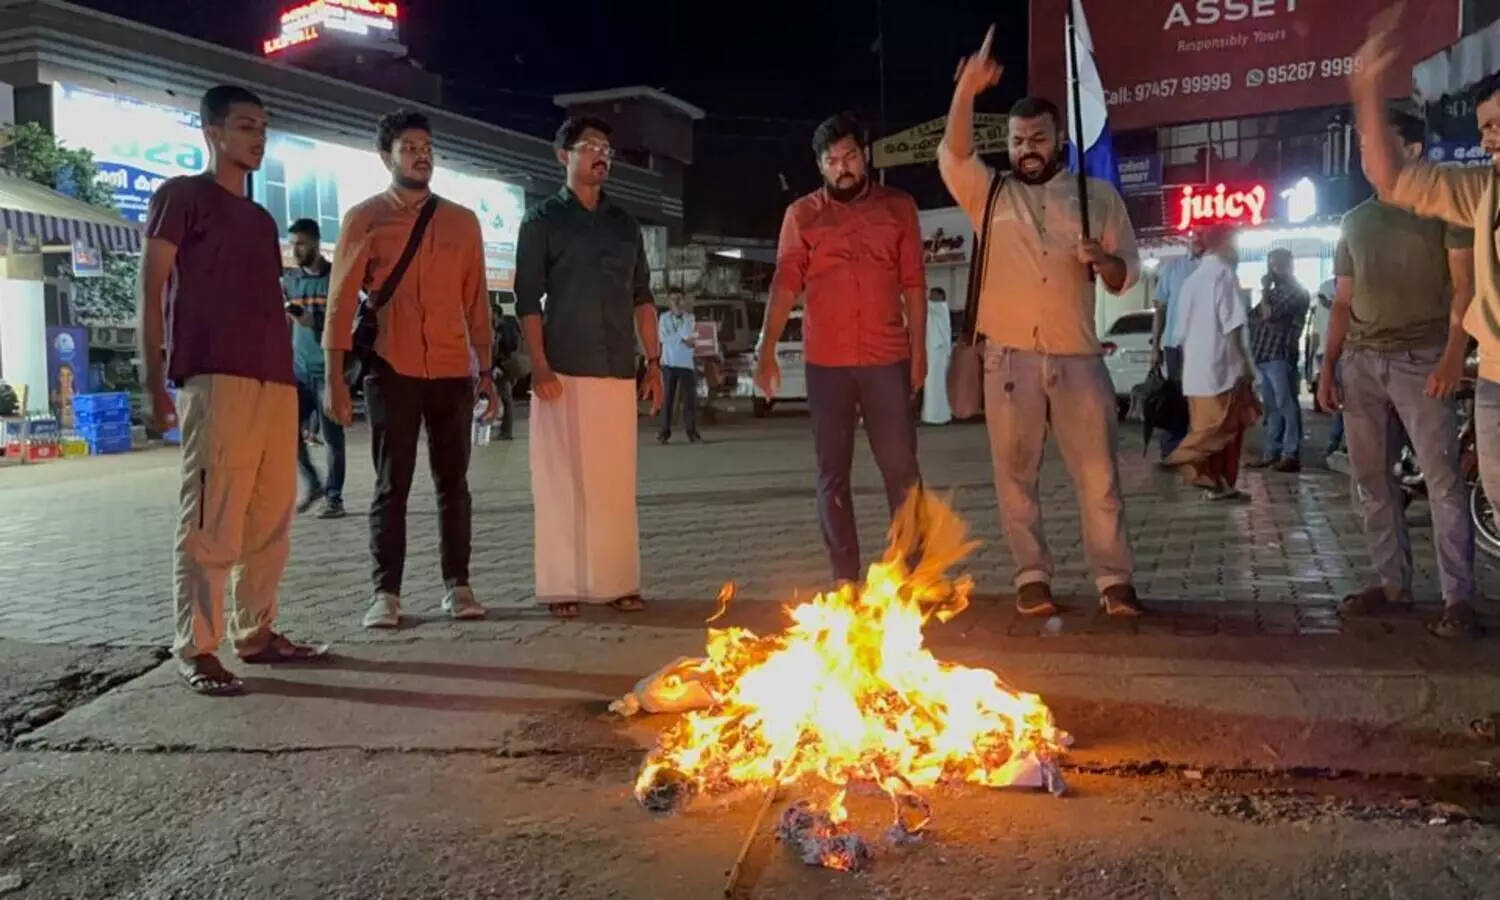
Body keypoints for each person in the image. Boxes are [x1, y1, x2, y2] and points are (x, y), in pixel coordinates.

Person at [939, 28, 1144, 618]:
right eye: (1017, 138)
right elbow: (953, 153)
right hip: (1008, 360)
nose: (1027, 147)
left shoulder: (1097, 196)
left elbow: (1126, 271)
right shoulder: (990, 194)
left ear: (1059, 140)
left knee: (1100, 477)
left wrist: (1103, 261)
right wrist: (966, 91)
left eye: (1039, 138)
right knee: (1015, 476)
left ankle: (1113, 579)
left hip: (1078, 357)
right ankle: (1032, 573)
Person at [138, 84, 325, 696]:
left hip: (275, 380)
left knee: (271, 514)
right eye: (246, 125)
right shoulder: (181, 198)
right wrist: (154, 376)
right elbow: (152, 287)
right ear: (213, 132)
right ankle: (197, 645)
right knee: (213, 513)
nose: (258, 137)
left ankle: (257, 632)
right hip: (215, 375)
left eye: (263, 127)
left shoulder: (260, 217)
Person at [323, 109, 499, 630]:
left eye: (427, 146)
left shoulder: (462, 221)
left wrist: (486, 372)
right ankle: (386, 594)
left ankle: (458, 585)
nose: (422, 154)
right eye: (409, 146)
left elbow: (476, 301)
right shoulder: (365, 217)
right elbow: (338, 301)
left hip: (451, 369)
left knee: (454, 484)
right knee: (390, 485)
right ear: (386, 156)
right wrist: (334, 378)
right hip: (392, 368)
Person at [1316, 103, 1479, 640]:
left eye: (1379, 147)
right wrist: (1329, 366)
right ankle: (1393, 586)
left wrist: (1454, 353)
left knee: (1442, 480)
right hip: (1362, 361)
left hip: (1423, 359)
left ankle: (1458, 598)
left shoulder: (1444, 209)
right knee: (1371, 480)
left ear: (1413, 151)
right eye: (1364, 149)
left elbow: (1465, 287)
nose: (1368, 159)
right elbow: (1342, 302)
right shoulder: (1354, 220)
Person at [756, 112, 926, 586]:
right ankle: (845, 579)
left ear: (864, 154)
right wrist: (766, 347)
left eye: (850, 156)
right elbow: (786, 281)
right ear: (820, 166)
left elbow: (913, 282)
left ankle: (913, 572)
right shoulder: (802, 216)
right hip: (826, 363)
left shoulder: (899, 208)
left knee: (902, 470)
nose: (843, 167)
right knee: (832, 474)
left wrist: (920, 352)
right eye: (832, 161)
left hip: (887, 358)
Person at [514, 115, 664, 619]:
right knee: (561, 480)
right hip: (563, 368)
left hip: (618, 366)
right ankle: (562, 585)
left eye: (606, 148)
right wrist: (538, 365)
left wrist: (655, 362)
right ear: (564, 156)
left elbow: (643, 297)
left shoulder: (625, 225)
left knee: (614, 481)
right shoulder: (541, 221)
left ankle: (618, 582)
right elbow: (527, 299)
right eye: (590, 146)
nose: (601, 155)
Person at [1163, 225, 1259, 500]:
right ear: (1225, 243)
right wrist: (1244, 364)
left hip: (1196, 372)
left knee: (1209, 428)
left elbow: (1179, 332)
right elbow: (1232, 326)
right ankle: (1185, 460)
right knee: (1224, 431)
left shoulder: (1190, 282)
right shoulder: (1224, 275)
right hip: (1221, 369)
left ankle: (1216, 485)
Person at [284, 218, 345, 519]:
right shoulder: (291, 280)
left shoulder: (337, 278)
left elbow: (346, 323)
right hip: (298, 370)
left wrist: (315, 322)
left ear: (317, 244)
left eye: (301, 244)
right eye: (292, 243)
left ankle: (334, 497)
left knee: (333, 438)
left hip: (328, 370)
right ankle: (313, 482)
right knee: (286, 430)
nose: (295, 250)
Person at [1245, 249, 1310, 472]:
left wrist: (1264, 292)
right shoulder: (1275, 293)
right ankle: (1272, 452)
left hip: (1280, 355)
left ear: (1289, 265)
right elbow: (1253, 318)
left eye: (1278, 265)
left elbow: (1266, 315)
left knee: (1286, 405)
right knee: (1272, 407)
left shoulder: (1296, 292)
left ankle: (1290, 453)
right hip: (1263, 354)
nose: (1274, 269)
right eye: (1271, 265)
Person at [1148, 231, 1206, 458]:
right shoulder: (1174, 268)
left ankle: (1199, 448)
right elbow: (1160, 310)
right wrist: (1155, 349)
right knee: (1176, 398)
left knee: (1203, 399)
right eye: (1194, 237)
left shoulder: (1217, 269)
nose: (1197, 242)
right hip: (1176, 345)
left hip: (1205, 346)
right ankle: (1173, 449)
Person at [657, 288, 702, 444]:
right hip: (669, 363)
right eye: (673, 299)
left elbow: (691, 336)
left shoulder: (690, 318)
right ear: (669, 302)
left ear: (684, 301)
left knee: (689, 401)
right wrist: (683, 340)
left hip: (686, 364)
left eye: (679, 299)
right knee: (667, 399)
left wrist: (679, 339)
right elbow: (663, 338)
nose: (676, 302)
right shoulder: (663, 318)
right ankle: (664, 432)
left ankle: (691, 432)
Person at [922, 287, 953, 425]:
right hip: (933, 351)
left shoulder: (940, 309)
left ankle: (937, 415)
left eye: (934, 295)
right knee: (932, 386)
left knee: (937, 385)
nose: (931, 298)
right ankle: (931, 414)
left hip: (938, 352)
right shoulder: (935, 309)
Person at [493, 312, 523, 441]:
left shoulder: (502, 331)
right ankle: (504, 429)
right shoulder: (511, 328)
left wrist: (499, 365)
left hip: (503, 368)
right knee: (505, 399)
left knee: (506, 399)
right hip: (509, 367)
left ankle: (506, 431)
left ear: (497, 315)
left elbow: (503, 349)